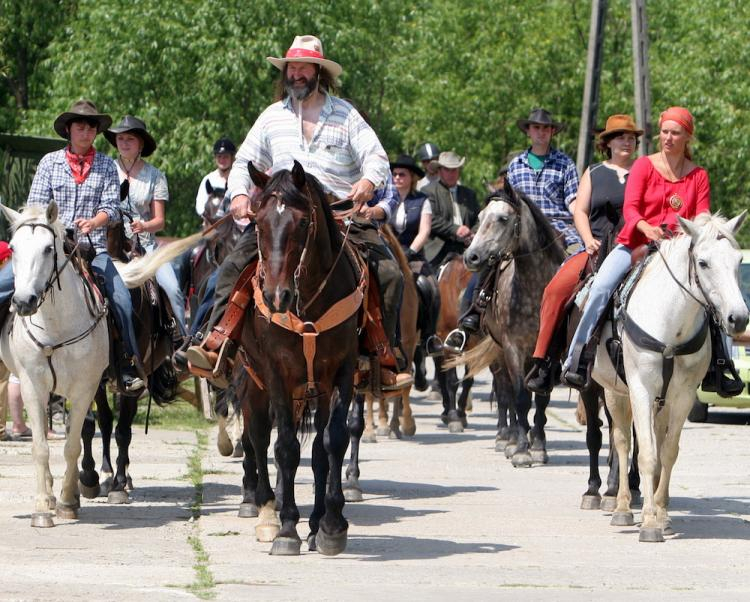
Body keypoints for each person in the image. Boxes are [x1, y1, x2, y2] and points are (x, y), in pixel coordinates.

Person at [185, 34, 410, 389]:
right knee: (230, 267)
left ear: (319, 72)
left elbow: (376, 156)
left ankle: (383, 356)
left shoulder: (346, 114)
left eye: (305, 67)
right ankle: (218, 344)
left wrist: (368, 182)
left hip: (339, 215)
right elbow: (244, 161)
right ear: (286, 72)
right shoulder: (272, 117)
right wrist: (240, 195)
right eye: (293, 67)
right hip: (282, 215)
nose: (298, 73)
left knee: (391, 274)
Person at [562, 106, 710, 387]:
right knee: (600, 287)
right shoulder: (643, 165)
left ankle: (720, 365)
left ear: (687, 137)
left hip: (680, 251)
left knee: (713, 296)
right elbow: (630, 209)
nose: (668, 138)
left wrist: (686, 236)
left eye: (675, 133)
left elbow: (702, 216)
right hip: (635, 244)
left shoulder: (698, 175)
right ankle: (578, 356)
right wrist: (646, 228)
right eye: (664, 132)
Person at [22, 99, 144, 391]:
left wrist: (94, 222)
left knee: (123, 301)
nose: (87, 131)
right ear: (69, 129)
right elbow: (34, 206)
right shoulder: (49, 162)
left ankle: (126, 366)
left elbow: (112, 207)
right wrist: (56, 228)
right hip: (51, 249)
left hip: (94, 251)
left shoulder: (105, 165)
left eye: (91, 126)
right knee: (7, 285)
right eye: (81, 126)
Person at [526, 114, 642, 393]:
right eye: (621, 137)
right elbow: (580, 210)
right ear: (608, 143)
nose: (627, 141)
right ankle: (544, 361)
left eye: (631, 137)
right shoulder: (594, 172)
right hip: (597, 247)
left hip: (634, 248)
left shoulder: (643, 171)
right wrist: (588, 239)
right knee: (555, 290)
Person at [104, 115, 188, 338]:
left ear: (141, 144)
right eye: (120, 138)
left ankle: (182, 339)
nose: (124, 143)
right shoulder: (106, 170)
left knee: (173, 289)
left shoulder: (155, 176)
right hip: (109, 247)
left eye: (130, 138)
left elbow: (160, 221)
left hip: (146, 248)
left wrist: (144, 225)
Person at [389, 154, 442, 360]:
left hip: (413, 257)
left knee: (431, 287)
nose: (398, 177)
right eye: (394, 174)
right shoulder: (385, 199)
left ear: (412, 177)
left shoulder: (422, 201)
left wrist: (409, 252)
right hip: (387, 255)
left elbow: (424, 231)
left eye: (402, 174)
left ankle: (429, 336)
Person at [422, 151, 479, 270]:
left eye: (454, 170)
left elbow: (479, 219)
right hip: (438, 249)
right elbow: (431, 220)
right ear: (439, 171)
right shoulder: (428, 191)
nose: (451, 173)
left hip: (467, 247)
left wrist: (472, 235)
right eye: (447, 170)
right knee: (424, 284)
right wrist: (456, 229)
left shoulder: (469, 194)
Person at [195, 137, 237, 218]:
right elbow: (200, 205)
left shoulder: (238, 178)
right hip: (212, 221)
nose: (222, 160)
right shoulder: (209, 179)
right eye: (219, 156)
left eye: (225, 157)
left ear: (232, 158)